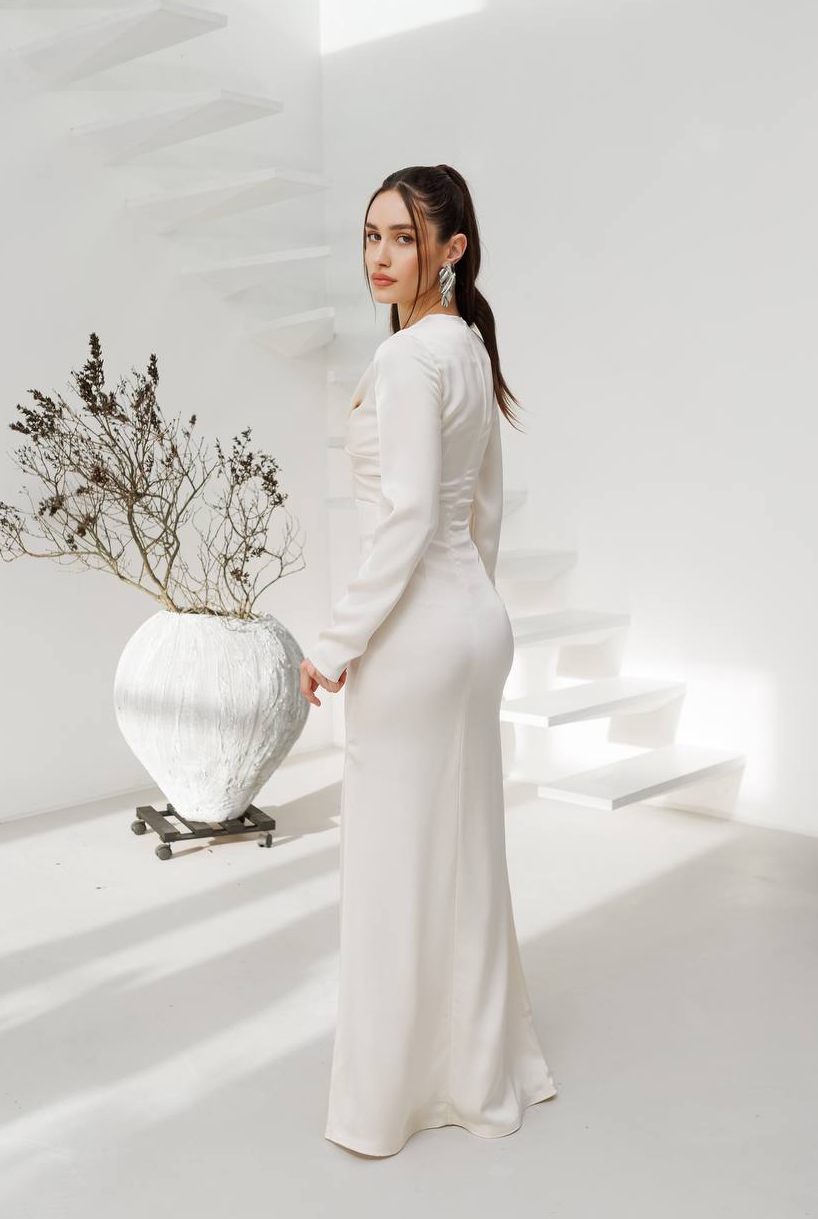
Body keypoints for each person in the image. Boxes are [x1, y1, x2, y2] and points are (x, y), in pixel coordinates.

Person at [301, 164, 557, 1157]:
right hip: (470, 621)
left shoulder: (413, 361)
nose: (378, 255)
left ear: (449, 251)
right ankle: (482, 1072)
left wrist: (336, 642)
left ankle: (388, 1099)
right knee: (463, 856)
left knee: (392, 866)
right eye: (370, 235)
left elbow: (407, 518)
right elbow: (478, 512)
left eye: (401, 238)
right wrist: (474, 611)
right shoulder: (465, 348)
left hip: (417, 627)